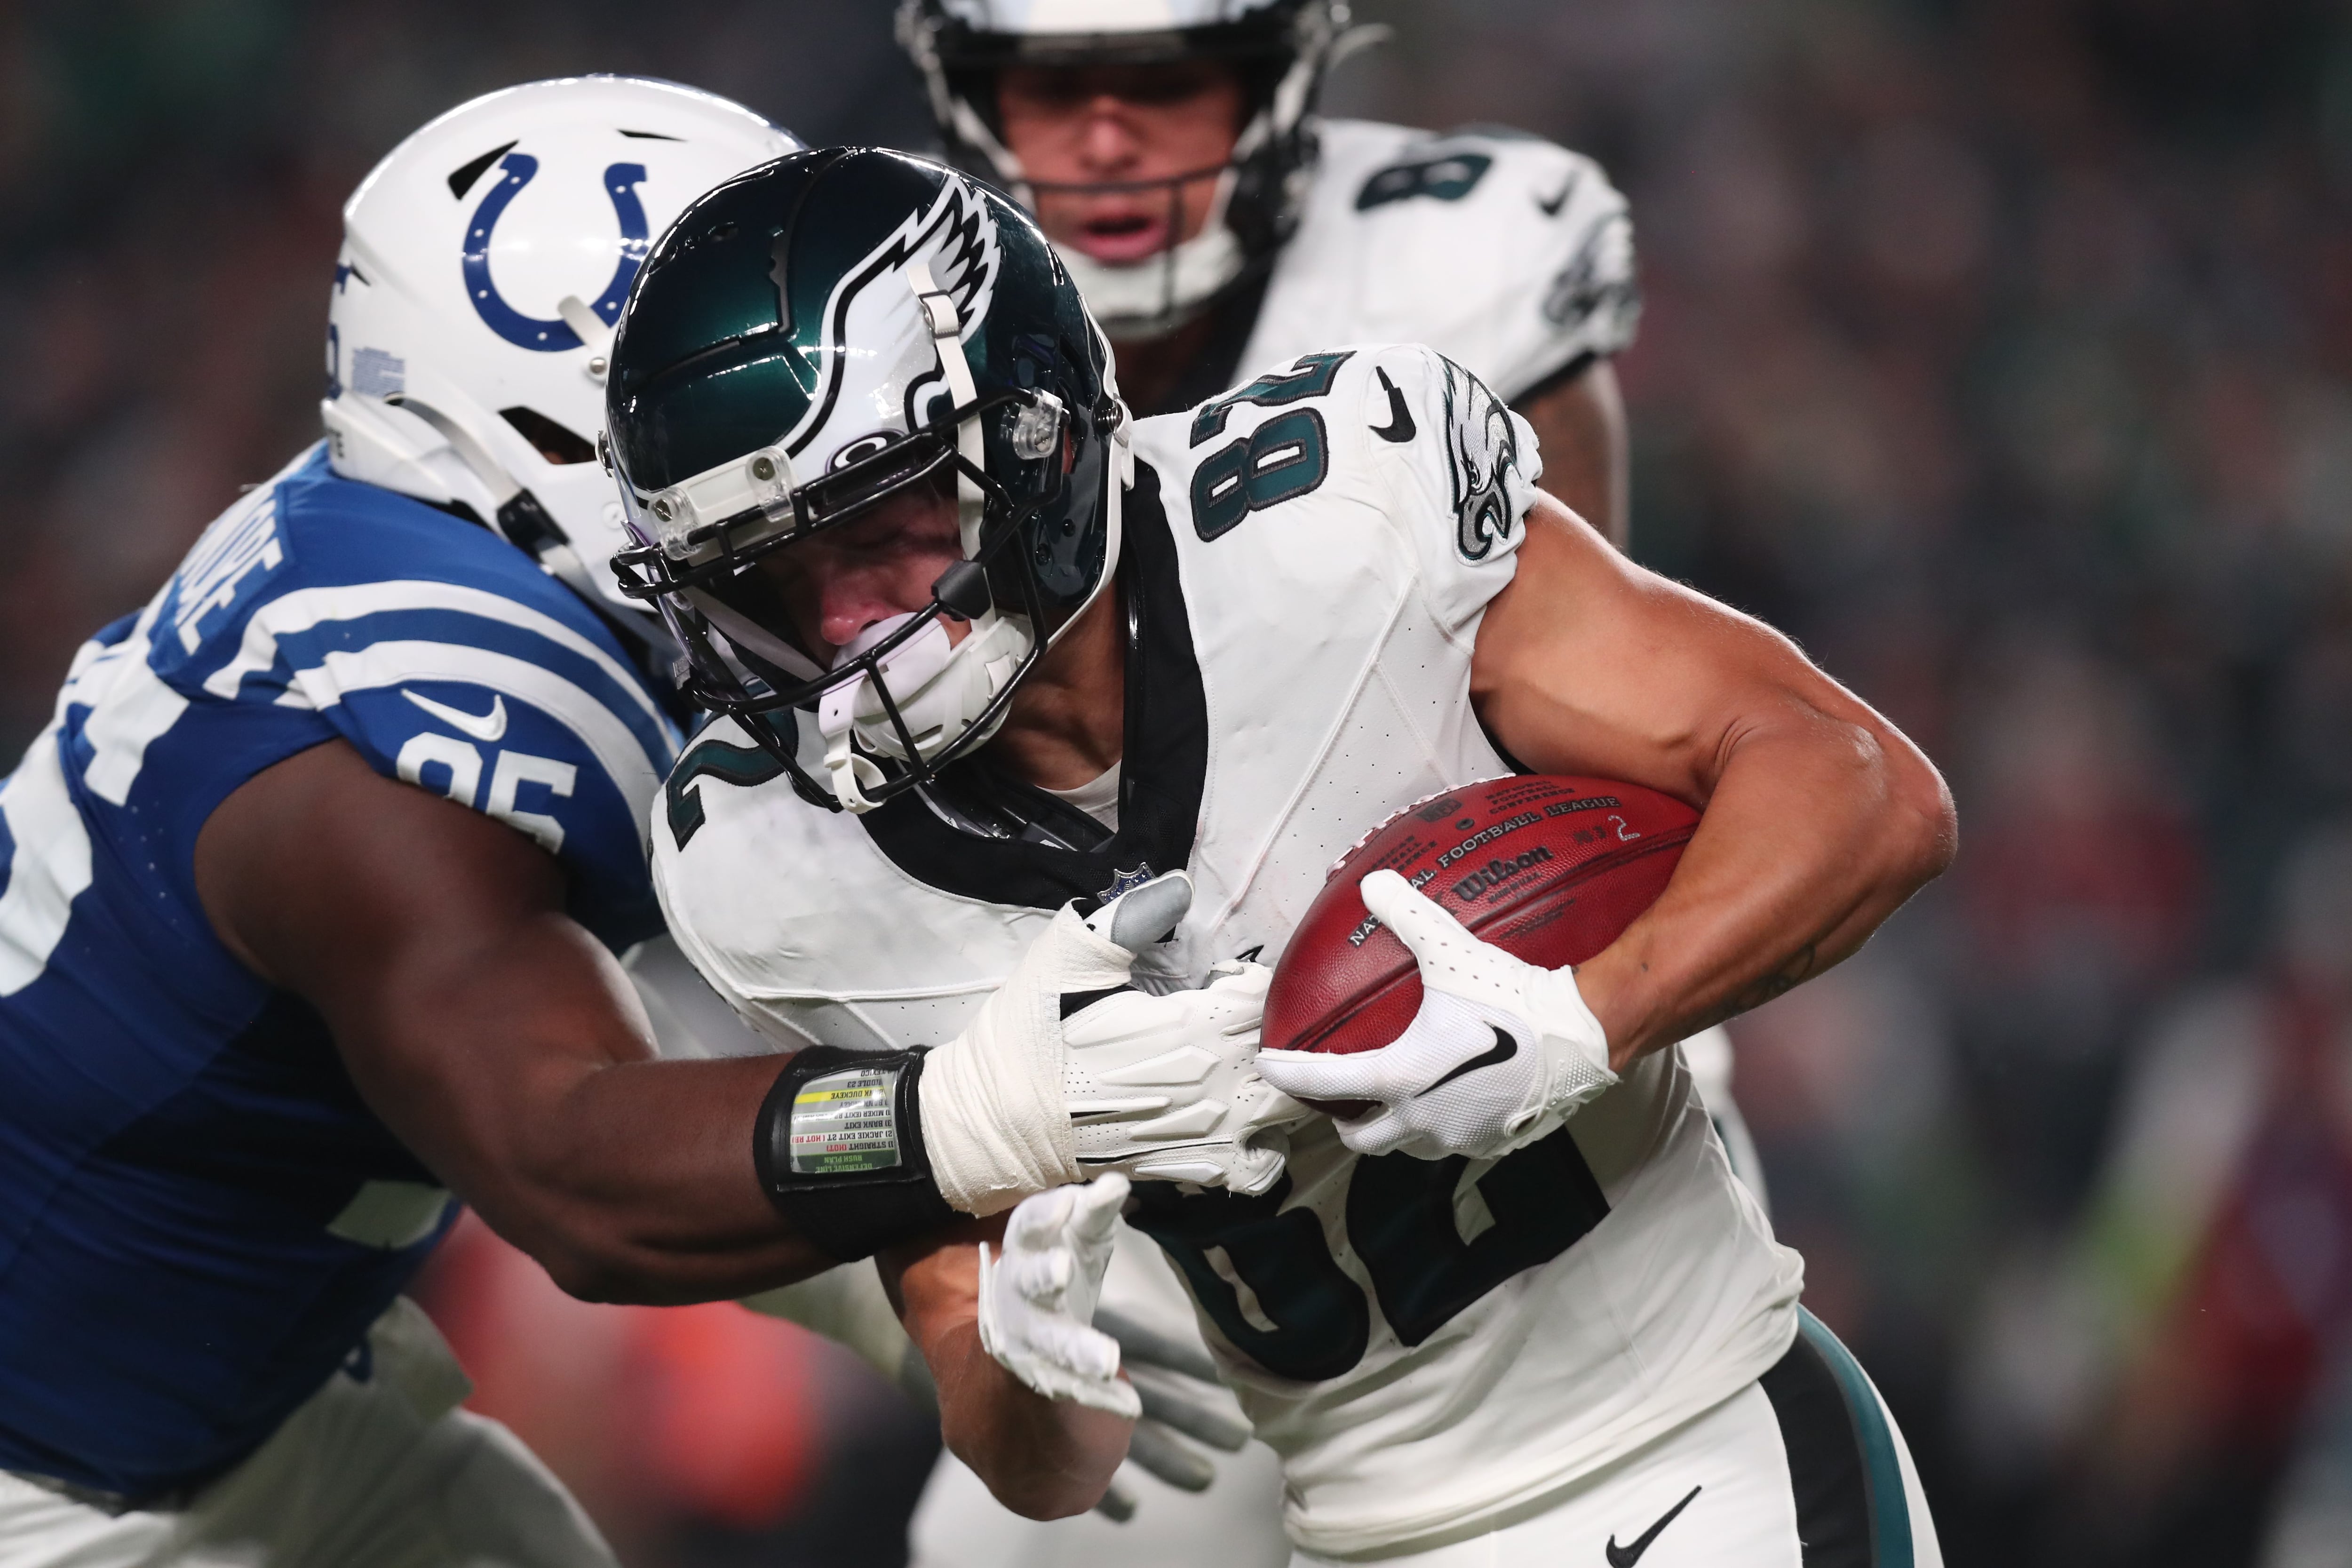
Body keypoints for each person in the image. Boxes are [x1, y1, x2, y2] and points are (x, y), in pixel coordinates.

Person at [612, 146, 1957, 1564]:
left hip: (1685, 1447)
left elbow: (1867, 791)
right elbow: (1032, 1446)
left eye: (879, 522)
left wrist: (1584, 1017)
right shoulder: (775, 874)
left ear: (1031, 433)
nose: (837, 629)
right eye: (761, 583)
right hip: (1350, 1534)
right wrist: (1025, 1366)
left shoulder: (1341, 523)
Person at [0, 80, 1282, 1566]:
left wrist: (896, 1265)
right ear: (554, 416)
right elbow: (569, 1159)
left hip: (261, 1392)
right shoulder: (370, 750)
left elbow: (633, 1022)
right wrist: (966, 1123)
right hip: (53, 1484)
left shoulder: (499, 546)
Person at [895, 6, 1759, 1554]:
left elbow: (1590, 755)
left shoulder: (1452, 264)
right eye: (1051, 83)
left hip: (1506, 1029)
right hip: (1138, 1130)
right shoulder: (872, 323)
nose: (1106, 136)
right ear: (971, 92)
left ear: (1276, 74)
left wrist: (1574, 1013)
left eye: (1165, 80)